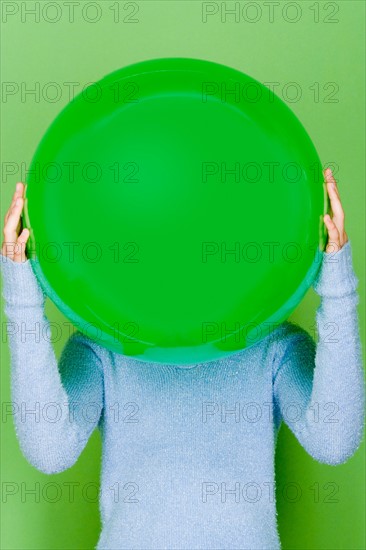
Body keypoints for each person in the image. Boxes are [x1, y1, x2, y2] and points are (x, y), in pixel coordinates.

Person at [1, 169, 364, 550]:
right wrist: (22, 291)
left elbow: (335, 440)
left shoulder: (274, 345)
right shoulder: (102, 347)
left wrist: (337, 284)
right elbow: (49, 449)